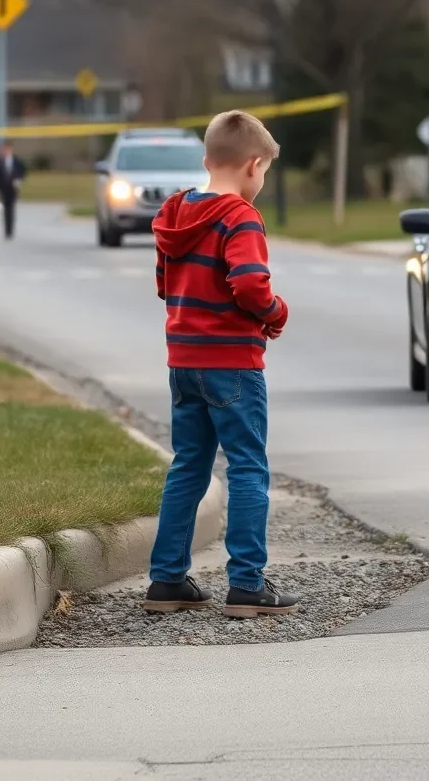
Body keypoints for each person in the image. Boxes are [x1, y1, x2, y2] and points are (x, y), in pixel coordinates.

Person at [143, 110, 297, 619]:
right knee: (248, 466)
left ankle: (167, 581)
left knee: (189, 465)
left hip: (183, 362)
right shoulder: (240, 218)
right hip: (232, 364)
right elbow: (251, 284)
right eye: (265, 172)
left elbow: (165, 284)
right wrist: (274, 313)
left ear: (208, 160)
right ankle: (247, 584)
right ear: (254, 165)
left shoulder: (175, 212)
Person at [0, 142, 26, 239]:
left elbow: (23, 170)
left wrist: (19, 179)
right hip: (1, 188)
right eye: (4, 149)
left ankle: (9, 231)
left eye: (8, 149)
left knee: (11, 209)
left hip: (13, 188)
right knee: (1, 209)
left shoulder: (16, 161)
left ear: (11, 150)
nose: (6, 151)